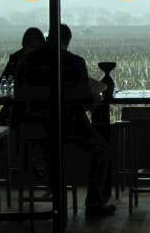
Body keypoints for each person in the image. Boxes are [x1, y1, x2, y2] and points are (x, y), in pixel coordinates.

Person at [15, 24, 115, 218]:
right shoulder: (74, 62)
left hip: (34, 126)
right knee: (102, 150)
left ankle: (54, 190)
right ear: (67, 41)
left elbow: (19, 93)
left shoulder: (26, 60)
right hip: (68, 125)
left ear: (48, 37)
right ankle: (94, 203)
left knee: (51, 152)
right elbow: (84, 99)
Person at [0, 27, 45, 125]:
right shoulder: (16, 58)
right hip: (35, 108)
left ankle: (9, 139)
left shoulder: (18, 57)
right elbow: (2, 80)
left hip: (23, 108)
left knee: (7, 114)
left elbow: (1, 82)